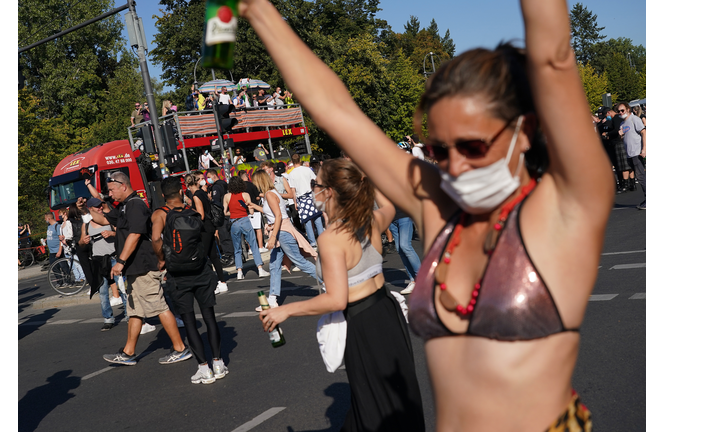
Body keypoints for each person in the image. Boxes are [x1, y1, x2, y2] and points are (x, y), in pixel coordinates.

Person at [241, 0, 611, 429]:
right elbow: (336, 110)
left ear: (522, 132)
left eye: (472, 147)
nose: (453, 166)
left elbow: (553, 56)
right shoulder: (439, 207)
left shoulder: (568, 207)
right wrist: (257, 11)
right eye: (439, 150)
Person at [258, 159, 425, 430]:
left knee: (372, 403)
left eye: (316, 185)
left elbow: (336, 299)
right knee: (397, 394)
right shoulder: (368, 220)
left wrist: (285, 310)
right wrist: (370, 176)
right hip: (387, 312)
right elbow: (390, 207)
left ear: (329, 192)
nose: (312, 190)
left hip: (364, 323)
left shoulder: (332, 238)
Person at [88, 172, 193, 366]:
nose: (110, 194)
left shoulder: (135, 205)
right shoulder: (126, 205)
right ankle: (128, 352)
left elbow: (135, 234)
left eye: (112, 190)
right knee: (135, 310)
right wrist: (94, 202)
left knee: (159, 306)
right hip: (135, 268)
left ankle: (180, 348)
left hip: (143, 266)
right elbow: (108, 219)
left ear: (123, 186)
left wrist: (120, 261)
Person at [151, 177, 228, 384]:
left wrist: (161, 259)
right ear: (181, 191)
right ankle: (219, 362)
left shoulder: (160, 214)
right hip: (200, 270)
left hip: (178, 275)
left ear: (163, 195)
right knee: (209, 316)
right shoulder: (192, 212)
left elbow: (156, 238)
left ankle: (204, 368)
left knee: (190, 322)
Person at [249, 170, 318, 310]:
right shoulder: (271, 192)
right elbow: (272, 213)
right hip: (281, 231)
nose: (254, 185)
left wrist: (273, 237)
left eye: (255, 182)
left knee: (300, 262)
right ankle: (272, 299)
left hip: (282, 232)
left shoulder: (269, 194)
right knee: (274, 265)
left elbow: (278, 216)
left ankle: (330, 282)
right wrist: (254, 205)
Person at [85, 197, 127, 331]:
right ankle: (108, 319)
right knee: (103, 292)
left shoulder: (108, 219)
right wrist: (84, 241)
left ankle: (129, 315)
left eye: (101, 206)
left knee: (123, 288)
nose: (100, 208)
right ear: (91, 209)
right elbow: (81, 241)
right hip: (98, 260)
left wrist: (111, 233)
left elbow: (121, 234)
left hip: (114, 257)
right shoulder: (87, 224)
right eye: (97, 207)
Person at [186, 174, 229, 295]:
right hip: (210, 227)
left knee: (204, 256)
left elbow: (201, 215)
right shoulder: (202, 193)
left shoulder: (196, 196)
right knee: (213, 256)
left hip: (204, 228)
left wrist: (190, 210)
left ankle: (211, 283)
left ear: (188, 185)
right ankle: (222, 282)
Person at [223, 176, 270, 280]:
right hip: (245, 220)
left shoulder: (227, 196)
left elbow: (225, 212)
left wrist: (234, 213)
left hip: (234, 222)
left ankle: (239, 271)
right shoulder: (245, 195)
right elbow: (251, 211)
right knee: (253, 245)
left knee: (237, 248)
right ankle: (260, 268)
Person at [288, 153, 325, 248]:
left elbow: (293, 190)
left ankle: (312, 242)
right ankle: (322, 240)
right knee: (317, 218)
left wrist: (295, 202)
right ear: (300, 160)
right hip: (311, 195)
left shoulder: (291, 174)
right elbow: (316, 180)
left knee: (307, 221)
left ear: (292, 161)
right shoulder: (307, 170)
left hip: (301, 199)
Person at [617, 101, 646, 210]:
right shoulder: (622, 124)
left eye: (622, 110)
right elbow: (624, 138)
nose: (620, 112)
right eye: (619, 111)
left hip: (637, 152)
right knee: (640, 176)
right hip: (629, 154)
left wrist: (644, 149)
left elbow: (644, 132)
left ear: (628, 109)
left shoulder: (634, 119)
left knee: (641, 177)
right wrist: (620, 135)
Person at [390, 206, 422, 295]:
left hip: (403, 215)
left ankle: (421, 278)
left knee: (405, 246)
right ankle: (413, 281)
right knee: (399, 249)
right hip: (391, 220)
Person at [206, 169, 235, 266]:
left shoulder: (216, 187)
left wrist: (210, 199)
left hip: (222, 214)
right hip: (229, 212)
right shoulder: (224, 184)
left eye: (209, 177)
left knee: (224, 236)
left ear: (214, 176)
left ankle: (229, 256)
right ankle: (236, 255)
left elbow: (216, 201)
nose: (208, 179)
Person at [239, 170, 267, 252]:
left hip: (245, 210)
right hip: (255, 208)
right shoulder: (252, 185)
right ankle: (261, 247)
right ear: (246, 176)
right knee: (258, 229)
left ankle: (251, 248)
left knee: (248, 230)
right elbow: (258, 196)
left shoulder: (240, 187)